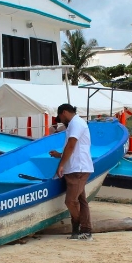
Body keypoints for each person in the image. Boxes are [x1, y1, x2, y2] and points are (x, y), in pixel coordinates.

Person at [49, 103, 94, 240]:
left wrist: (60, 165)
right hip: (76, 167)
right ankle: (79, 231)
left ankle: (83, 229)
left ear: (64, 113)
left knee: (70, 201)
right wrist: (60, 155)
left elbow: (72, 145)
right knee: (81, 200)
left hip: (78, 169)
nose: (61, 121)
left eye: (60, 118)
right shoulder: (76, 124)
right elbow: (73, 147)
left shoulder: (76, 123)